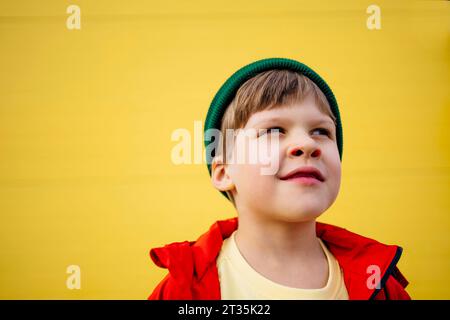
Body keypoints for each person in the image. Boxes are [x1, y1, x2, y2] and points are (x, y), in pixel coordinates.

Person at [148, 58, 411, 300]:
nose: (307, 144)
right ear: (225, 172)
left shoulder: (380, 282)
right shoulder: (183, 289)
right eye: (274, 130)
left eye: (321, 131)